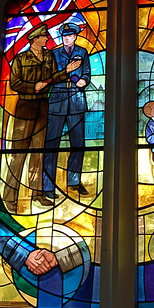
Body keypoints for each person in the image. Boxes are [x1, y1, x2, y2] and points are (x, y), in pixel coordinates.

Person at [3, 25, 81, 213]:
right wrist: (33, 86)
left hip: (43, 106)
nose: (47, 39)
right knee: (18, 153)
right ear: (35, 39)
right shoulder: (21, 59)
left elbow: (53, 78)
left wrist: (67, 71)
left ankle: (37, 193)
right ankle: (10, 196)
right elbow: (15, 83)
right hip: (26, 106)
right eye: (44, 36)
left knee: (39, 151)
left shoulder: (48, 57)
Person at [43, 22, 91, 197]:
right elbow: (50, 77)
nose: (67, 38)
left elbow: (87, 73)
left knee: (78, 144)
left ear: (75, 36)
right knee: (51, 144)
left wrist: (84, 81)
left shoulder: (82, 52)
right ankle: (47, 185)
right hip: (57, 100)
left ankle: (74, 181)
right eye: (64, 36)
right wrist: (67, 70)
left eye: (70, 35)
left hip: (77, 100)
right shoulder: (54, 54)